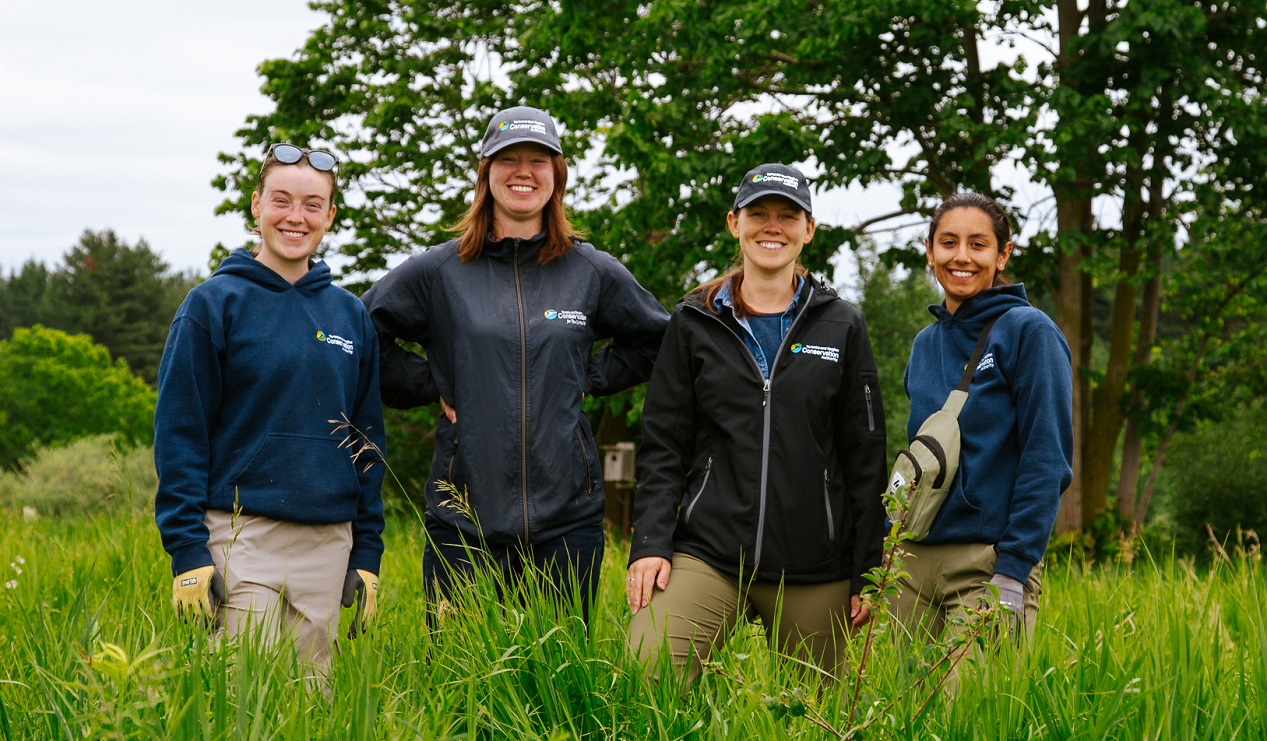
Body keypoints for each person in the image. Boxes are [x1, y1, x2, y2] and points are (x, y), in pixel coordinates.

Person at [360, 106, 669, 625]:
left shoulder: (590, 270)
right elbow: (359, 335)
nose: (523, 171)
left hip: (567, 523)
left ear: (557, 175)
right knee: (463, 688)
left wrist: (585, 376)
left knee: (557, 693)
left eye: (538, 160)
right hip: (464, 521)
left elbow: (659, 341)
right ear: (486, 173)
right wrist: (431, 380)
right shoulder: (439, 270)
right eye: (508, 159)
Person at [625, 163, 888, 683]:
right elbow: (662, 444)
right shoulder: (693, 320)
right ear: (734, 223)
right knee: (642, 675)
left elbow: (865, 457)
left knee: (819, 717)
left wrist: (869, 570)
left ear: (808, 230)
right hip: (710, 554)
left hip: (815, 566)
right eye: (759, 214)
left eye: (788, 216)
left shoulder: (843, 325)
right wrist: (651, 543)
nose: (773, 226)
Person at [155, 143, 385, 671]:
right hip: (238, 539)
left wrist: (367, 554)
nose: (295, 217)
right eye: (281, 200)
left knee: (313, 706)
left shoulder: (350, 317)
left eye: (311, 205)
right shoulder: (212, 305)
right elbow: (179, 435)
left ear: (329, 216)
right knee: (238, 701)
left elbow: (368, 444)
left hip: (329, 542)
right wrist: (188, 552)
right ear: (257, 205)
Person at [893, 191, 1073, 640]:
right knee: (901, 708)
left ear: (1002, 254)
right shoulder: (923, 344)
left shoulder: (1029, 332)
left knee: (970, 709)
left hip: (988, 567)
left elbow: (1045, 458)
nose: (961, 257)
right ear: (930, 251)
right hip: (910, 567)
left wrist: (1014, 568)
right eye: (948, 242)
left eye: (978, 244)